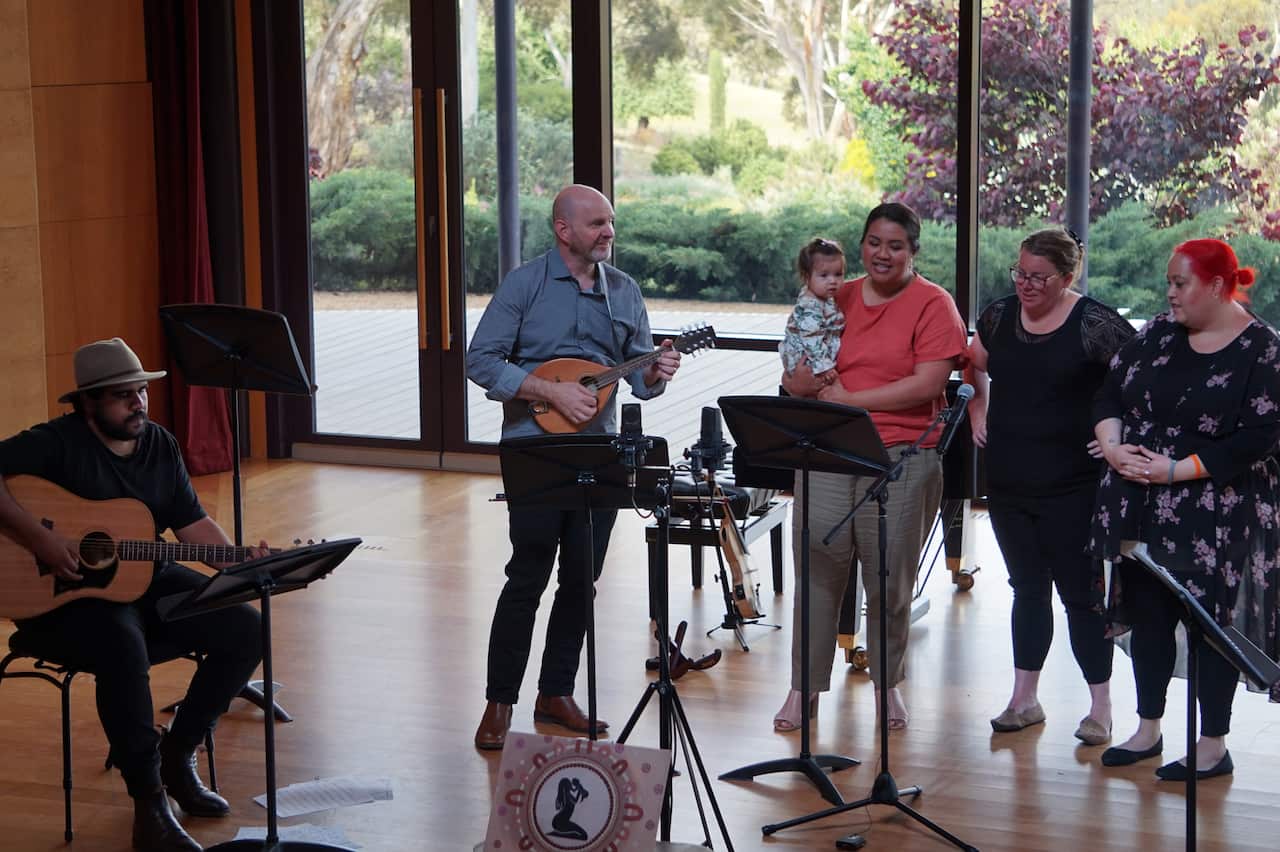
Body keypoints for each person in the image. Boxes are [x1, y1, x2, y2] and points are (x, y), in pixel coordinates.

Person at [0, 338, 267, 852]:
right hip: (61, 602)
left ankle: (178, 754)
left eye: (141, 392)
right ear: (88, 404)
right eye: (124, 396)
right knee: (122, 645)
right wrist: (41, 539)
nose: (138, 404)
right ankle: (149, 804)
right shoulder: (54, 444)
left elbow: (193, 526)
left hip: (144, 582)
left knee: (243, 626)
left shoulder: (159, 444)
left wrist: (242, 562)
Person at [467, 184, 681, 750]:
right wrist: (548, 391)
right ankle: (499, 703)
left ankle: (556, 691)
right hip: (533, 448)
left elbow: (636, 381)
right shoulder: (525, 285)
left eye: (610, 222)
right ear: (564, 230)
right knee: (527, 575)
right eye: (596, 224)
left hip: (599, 452)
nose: (608, 232)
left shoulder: (625, 292)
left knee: (581, 580)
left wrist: (657, 371)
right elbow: (480, 360)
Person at [774, 202, 967, 732]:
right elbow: (798, 356)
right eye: (874, 243)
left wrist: (853, 399)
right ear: (862, 244)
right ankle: (803, 689)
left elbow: (929, 385)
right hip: (829, 449)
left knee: (889, 578)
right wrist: (800, 381)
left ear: (913, 251)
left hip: (903, 455)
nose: (883, 254)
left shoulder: (934, 304)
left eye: (895, 245)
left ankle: (888, 686)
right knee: (816, 571)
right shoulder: (837, 292)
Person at [1091, 239, 1280, 780]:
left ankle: (1212, 745)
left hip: (1216, 509)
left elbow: (1261, 437)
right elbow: (1108, 395)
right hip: (1141, 501)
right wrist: (1111, 446)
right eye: (1169, 282)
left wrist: (1177, 469)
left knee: (1209, 626)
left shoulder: (1262, 348)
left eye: (1181, 284)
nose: (1169, 293)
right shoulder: (1156, 333)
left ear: (1218, 287)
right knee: (1149, 618)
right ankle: (1148, 728)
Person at [966, 228, 1135, 745]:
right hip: (1010, 477)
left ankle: (1100, 709)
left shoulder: (1096, 325)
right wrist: (979, 408)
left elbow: (1144, 381)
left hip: (1074, 485)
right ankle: (1024, 698)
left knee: (1081, 597)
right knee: (1027, 589)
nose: (1026, 284)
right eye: (1020, 273)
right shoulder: (997, 316)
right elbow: (973, 366)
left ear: (1067, 277)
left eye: (1039, 277)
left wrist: (1112, 436)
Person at [779, 237, 846, 385]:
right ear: (806, 277)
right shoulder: (809, 307)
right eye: (824, 275)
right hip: (807, 359)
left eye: (838, 274)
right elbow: (812, 340)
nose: (832, 281)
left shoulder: (823, 297)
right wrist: (824, 368)